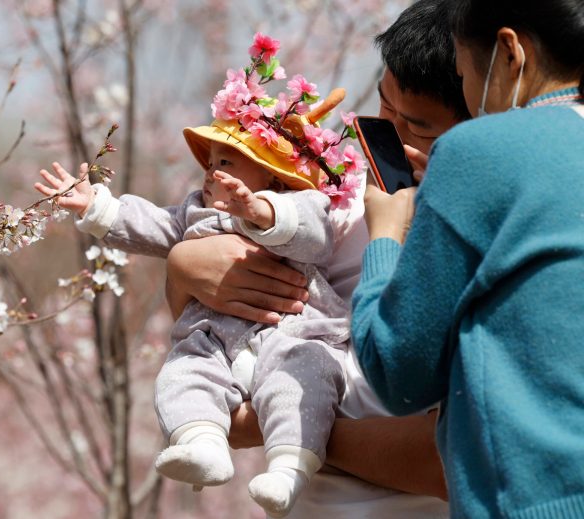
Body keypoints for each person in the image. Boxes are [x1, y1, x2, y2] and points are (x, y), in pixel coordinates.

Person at [34, 37, 368, 517]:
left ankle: (289, 466)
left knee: (306, 380)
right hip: (214, 339)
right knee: (182, 375)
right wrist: (97, 207)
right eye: (210, 165)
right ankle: (202, 442)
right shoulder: (195, 213)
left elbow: (313, 236)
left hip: (293, 334)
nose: (211, 175)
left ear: (273, 178)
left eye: (226, 163)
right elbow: (150, 223)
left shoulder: (297, 207)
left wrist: (260, 211)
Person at [165, 1, 469, 517]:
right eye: (383, 104)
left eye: (416, 126)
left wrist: (294, 419)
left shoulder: (476, 230)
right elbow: (226, 325)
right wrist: (184, 268)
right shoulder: (339, 200)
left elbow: (448, 460)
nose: (386, 133)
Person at [352, 0, 584, 517]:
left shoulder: (482, 149)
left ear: (508, 51)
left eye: (462, 73)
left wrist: (385, 235)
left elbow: (396, 370)